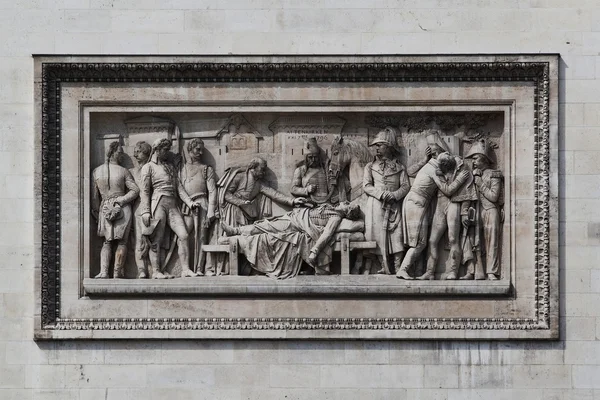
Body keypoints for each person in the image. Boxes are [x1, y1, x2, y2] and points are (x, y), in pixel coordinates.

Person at [214, 157, 307, 274]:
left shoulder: (259, 184)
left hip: (247, 214)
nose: (263, 173)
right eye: (262, 169)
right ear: (253, 168)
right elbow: (226, 194)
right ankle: (225, 269)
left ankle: (244, 269)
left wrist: (292, 201)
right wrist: (240, 202)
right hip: (233, 211)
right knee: (232, 240)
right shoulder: (240, 176)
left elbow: (274, 194)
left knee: (246, 240)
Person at [221, 201, 362, 278]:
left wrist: (314, 250)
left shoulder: (336, 218)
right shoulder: (331, 207)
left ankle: (236, 231)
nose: (345, 202)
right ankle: (236, 231)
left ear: (348, 212)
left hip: (298, 224)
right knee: (266, 225)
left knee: (267, 227)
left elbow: (327, 235)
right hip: (296, 216)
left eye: (347, 204)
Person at [396, 152, 470, 280]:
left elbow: (410, 172)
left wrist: (424, 160)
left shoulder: (431, 166)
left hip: (421, 203)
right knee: (421, 242)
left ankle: (440, 272)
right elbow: (447, 190)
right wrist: (459, 180)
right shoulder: (434, 170)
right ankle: (407, 270)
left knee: (433, 241)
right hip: (417, 203)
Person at [139, 138, 202, 279]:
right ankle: (156, 271)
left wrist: (190, 202)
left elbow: (179, 188)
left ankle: (185, 269)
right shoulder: (148, 167)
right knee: (157, 239)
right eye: (165, 150)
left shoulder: (170, 167)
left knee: (184, 235)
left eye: (168, 149)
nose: (167, 152)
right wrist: (145, 211)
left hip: (172, 204)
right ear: (157, 150)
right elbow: (144, 191)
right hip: (158, 203)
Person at [362, 127, 410, 274]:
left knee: (397, 234)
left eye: (380, 145)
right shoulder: (370, 167)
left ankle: (397, 266)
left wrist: (395, 195)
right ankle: (382, 264)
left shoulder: (400, 168)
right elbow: (366, 186)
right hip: (376, 204)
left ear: (388, 147)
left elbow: (406, 186)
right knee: (376, 234)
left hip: (394, 205)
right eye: (376, 146)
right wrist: (381, 194)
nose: (377, 148)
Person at [91, 141, 140, 279]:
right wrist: (122, 200)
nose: (122, 154)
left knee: (108, 242)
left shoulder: (96, 171)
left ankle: (105, 272)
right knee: (119, 242)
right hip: (122, 207)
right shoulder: (123, 170)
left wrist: (98, 213)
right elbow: (135, 190)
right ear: (112, 152)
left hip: (105, 207)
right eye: (120, 151)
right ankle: (115, 273)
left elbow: (95, 199)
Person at [461, 138, 504, 280]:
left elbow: (494, 197)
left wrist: (480, 184)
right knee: (470, 237)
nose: (473, 162)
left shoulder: (493, 174)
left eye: (476, 158)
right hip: (477, 211)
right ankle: (472, 270)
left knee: (492, 242)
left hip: (491, 210)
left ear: (484, 159)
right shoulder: (474, 175)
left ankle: (491, 271)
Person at [179, 138, 218, 276]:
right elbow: (179, 188)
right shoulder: (181, 169)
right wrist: (189, 202)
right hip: (186, 206)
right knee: (183, 235)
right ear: (190, 150)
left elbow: (212, 191)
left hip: (203, 204)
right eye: (197, 149)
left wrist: (211, 211)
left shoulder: (207, 169)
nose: (201, 152)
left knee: (202, 236)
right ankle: (185, 268)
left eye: (202, 150)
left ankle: (201, 268)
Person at [290, 137, 339, 205]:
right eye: (310, 157)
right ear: (306, 158)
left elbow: (332, 189)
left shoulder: (325, 169)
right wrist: (306, 189)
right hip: (309, 204)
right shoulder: (300, 170)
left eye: (315, 157)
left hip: (326, 204)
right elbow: (293, 189)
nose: (313, 160)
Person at [129, 141, 152, 278]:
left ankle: (155, 268)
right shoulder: (131, 172)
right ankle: (142, 270)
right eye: (135, 151)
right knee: (138, 240)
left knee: (154, 241)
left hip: (152, 207)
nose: (135, 154)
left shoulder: (152, 168)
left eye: (139, 151)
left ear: (147, 153)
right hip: (137, 208)